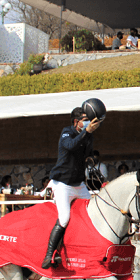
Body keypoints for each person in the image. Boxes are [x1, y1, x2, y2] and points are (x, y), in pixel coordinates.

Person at [42, 107, 101, 269]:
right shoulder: (66, 132)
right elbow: (71, 146)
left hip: (78, 184)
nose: (87, 122)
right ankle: (50, 254)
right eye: (84, 119)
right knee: (64, 218)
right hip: (62, 184)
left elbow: (87, 152)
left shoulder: (87, 134)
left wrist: (89, 136)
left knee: (93, 212)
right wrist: (86, 133)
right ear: (76, 122)